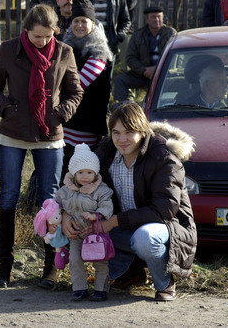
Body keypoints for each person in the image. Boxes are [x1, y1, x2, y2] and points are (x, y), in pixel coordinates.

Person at [0, 4, 83, 289]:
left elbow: (76, 91)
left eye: (47, 37)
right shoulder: (8, 49)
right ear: (26, 30)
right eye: (37, 37)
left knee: (49, 201)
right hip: (12, 132)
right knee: (9, 197)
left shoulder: (64, 52)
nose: (42, 42)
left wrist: (60, 113)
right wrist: (6, 109)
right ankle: (5, 263)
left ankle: (51, 264)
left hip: (50, 134)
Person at [63, 101, 197, 302]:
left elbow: (164, 209)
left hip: (166, 227)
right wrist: (66, 216)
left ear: (142, 131)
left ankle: (164, 282)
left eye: (129, 132)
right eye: (116, 132)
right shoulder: (105, 153)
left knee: (144, 238)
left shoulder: (164, 158)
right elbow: (73, 184)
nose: (122, 139)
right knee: (78, 228)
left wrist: (112, 222)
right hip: (124, 224)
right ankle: (131, 273)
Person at [55, 143, 114, 302]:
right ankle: (79, 288)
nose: (85, 176)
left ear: (95, 173)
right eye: (80, 172)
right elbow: (56, 204)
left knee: (101, 262)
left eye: (89, 172)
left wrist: (97, 215)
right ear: (73, 173)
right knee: (75, 259)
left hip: (97, 233)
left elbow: (107, 205)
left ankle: (101, 289)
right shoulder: (65, 190)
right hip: (76, 235)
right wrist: (59, 214)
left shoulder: (101, 190)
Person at [61, 0, 113, 174]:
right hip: (65, 119)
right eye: (76, 21)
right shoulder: (66, 47)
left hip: (86, 123)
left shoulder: (99, 52)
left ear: (93, 24)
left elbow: (78, 84)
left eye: (84, 21)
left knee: (81, 170)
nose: (79, 25)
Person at [113, 6, 176, 102]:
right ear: (146, 19)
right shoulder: (138, 35)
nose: (157, 19)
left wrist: (157, 69)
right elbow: (130, 58)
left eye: (159, 16)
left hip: (165, 74)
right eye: (153, 17)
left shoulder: (171, 33)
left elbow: (175, 57)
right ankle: (121, 109)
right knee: (120, 80)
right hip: (143, 74)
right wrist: (144, 70)